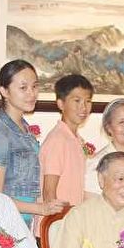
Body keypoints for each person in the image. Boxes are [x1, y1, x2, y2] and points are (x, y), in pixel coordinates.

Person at [0, 60, 65, 228]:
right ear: (4, 91)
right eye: (23, 88)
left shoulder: (23, 126)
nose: (31, 93)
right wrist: (40, 208)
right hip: (6, 225)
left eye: (34, 86)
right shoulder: (0, 135)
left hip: (23, 223)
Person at [39, 74, 94, 213]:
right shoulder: (58, 140)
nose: (83, 107)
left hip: (72, 219)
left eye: (88, 101)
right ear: (61, 104)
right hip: (57, 221)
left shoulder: (77, 140)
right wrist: (58, 222)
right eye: (77, 100)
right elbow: (49, 193)